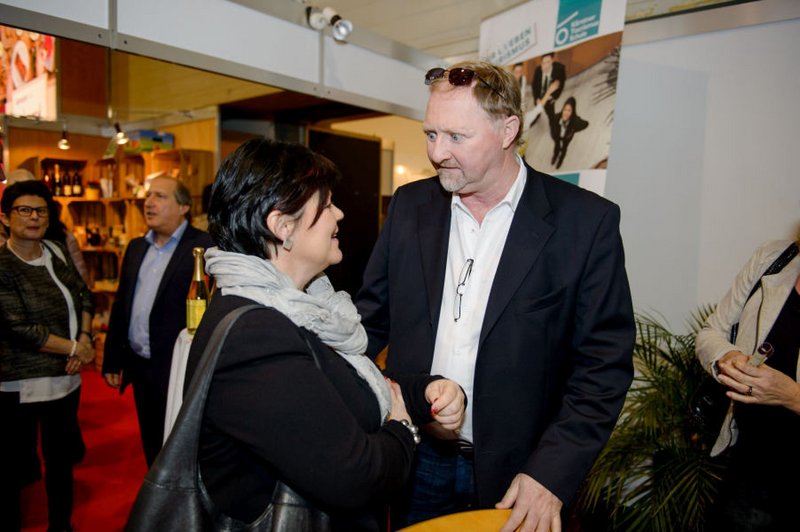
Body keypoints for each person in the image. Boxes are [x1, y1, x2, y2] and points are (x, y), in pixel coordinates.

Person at [356, 61, 635, 532]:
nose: (437, 152)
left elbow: (602, 367)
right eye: (430, 134)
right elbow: (368, 324)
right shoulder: (410, 206)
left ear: (508, 130)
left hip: (522, 474)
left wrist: (550, 474)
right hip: (415, 456)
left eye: (456, 137)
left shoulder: (585, 223)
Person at [183, 138, 465, 530]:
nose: (340, 214)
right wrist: (402, 429)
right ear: (283, 227)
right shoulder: (256, 334)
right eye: (327, 204)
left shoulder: (303, 307)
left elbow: (341, 387)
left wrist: (422, 392)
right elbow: (356, 477)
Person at [0, 180, 95, 532]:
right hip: (19, 385)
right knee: (14, 470)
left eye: (41, 211)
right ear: (5, 218)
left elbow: (84, 294)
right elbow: (19, 327)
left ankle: (61, 526)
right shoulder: (3, 264)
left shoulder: (55, 250)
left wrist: (84, 337)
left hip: (65, 379)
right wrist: (75, 348)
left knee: (61, 462)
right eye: (24, 210)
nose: (34, 217)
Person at [102, 176, 213, 467]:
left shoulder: (203, 248)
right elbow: (122, 303)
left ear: (184, 207)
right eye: (148, 196)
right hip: (141, 364)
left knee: (181, 445)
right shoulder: (137, 247)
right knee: (151, 441)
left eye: (160, 196)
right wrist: (113, 358)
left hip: (179, 366)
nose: (149, 203)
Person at [696, 238, 800, 530]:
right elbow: (711, 332)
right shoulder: (775, 259)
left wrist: (791, 395)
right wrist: (728, 357)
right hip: (747, 467)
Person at [5, 168, 90, 285]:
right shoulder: (4, 246)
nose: (33, 216)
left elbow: (82, 283)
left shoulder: (61, 241)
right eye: (24, 209)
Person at [545, 96, 589, 170]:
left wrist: (574, 130)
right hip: (558, 136)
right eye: (564, 109)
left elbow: (586, 124)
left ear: (572, 112)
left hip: (566, 138)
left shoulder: (574, 120)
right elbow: (551, 124)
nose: (566, 113)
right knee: (557, 146)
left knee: (564, 149)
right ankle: (555, 156)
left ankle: (561, 159)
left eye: (569, 110)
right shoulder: (557, 117)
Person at [530, 53, 566, 127]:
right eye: (543, 63)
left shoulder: (560, 69)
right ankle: (537, 116)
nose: (545, 66)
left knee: (551, 114)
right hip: (539, 96)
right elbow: (534, 86)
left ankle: (553, 126)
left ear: (552, 61)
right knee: (537, 110)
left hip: (550, 98)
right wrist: (536, 98)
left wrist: (554, 97)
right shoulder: (538, 70)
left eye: (548, 62)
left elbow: (561, 85)